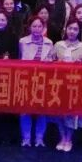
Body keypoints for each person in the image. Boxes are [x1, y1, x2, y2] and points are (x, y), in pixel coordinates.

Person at [49, 19, 82, 152]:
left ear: (79, 31)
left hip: (75, 85)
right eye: (70, 28)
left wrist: (81, 65)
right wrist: (56, 63)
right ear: (66, 30)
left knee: (71, 114)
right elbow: (49, 62)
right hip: (59, 84)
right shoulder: (58, 45)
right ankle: (62, 138)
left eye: (75, 29)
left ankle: (69, 139)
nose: (72, 31)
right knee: (59, 113)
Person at [17, 17, 53, 148]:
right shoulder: (22, 42)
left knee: (41, 111)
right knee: (25, 111)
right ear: (29, 27)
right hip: (26, 79)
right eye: (34, 26)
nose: (37, 29)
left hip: (43, 81)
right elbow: (18, 60)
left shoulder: (49, 43)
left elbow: (52, 60)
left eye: (39, 26)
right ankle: (26, 139)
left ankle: (39, 139)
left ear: (43, 28)